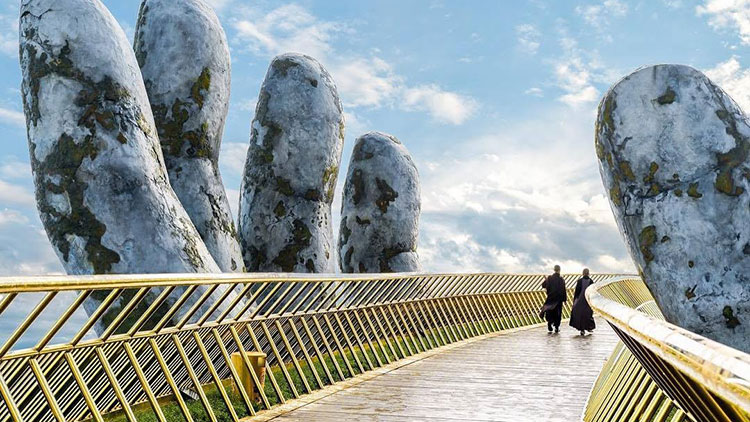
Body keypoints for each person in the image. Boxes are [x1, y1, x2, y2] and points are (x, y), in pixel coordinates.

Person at [539, 265, 567, 333]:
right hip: (558, 299)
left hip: (550, 297)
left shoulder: (549, 278)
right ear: (559, 270)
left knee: (550, 311)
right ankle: (556, 327)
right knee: (558, 313)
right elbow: (563, 290)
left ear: (554, 270)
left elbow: (543, 285)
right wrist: (564, 299)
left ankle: (549, 323)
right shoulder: (561, 279)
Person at [570, 268, 596, 335]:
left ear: (583, 273)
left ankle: (581, 329)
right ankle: (588, 327)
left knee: (579, 315)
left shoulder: (580, 281)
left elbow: (577, 292)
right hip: (587, 301)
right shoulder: (591, 281)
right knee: (587, 315)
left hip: (580, 301)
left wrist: (575, 300)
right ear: (588, 273)